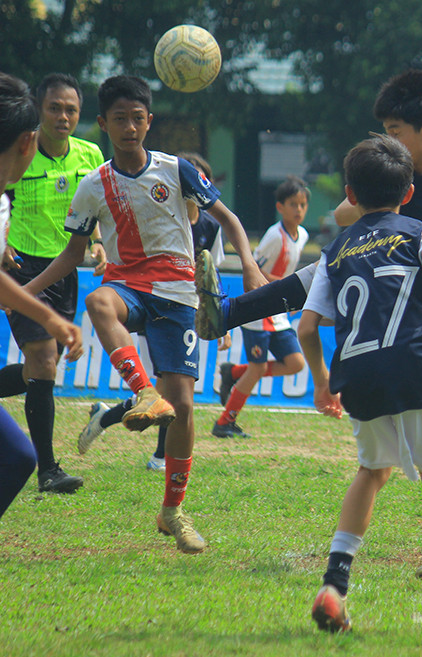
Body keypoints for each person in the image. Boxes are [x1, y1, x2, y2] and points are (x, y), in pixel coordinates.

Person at [193, 69, 422, 574]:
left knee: (334, 266)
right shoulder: (401, 180)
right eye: (384, 131)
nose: (389, 139)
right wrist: (374, 185)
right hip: (421, 302)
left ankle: (229, 312)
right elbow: (346, 213)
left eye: (396, 132)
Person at [24, 75, 267, 553]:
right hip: (128, 287)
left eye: (138, 119)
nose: (130, 127)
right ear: (103, 125)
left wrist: (252, 267)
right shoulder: (94, 186)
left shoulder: (177, 170)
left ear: (149, 121)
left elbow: (230, 220)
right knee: (98, 301)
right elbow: (72, 255)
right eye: (120, 120)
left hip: (179, 298)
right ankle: (143, 392)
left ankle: (172, 511)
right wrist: (22, 292)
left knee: (185, 411)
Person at [303, 134, 422, 634]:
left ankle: (333, 586)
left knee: (371, 471)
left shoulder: (335, 248)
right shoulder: (421, 231)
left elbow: (307, 327)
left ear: (350, 193)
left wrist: (323, 385)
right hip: (413, 366)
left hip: (357, 373)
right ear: (409, 192)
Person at [77, 152, 231, 471]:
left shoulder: (210, 227)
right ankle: (161, 456)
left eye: (202, 181)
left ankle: (106, 416)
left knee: (170, 393)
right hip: (142, 299)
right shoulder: (154, 208)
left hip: (181, 305)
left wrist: (221, 323)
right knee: (162, 391)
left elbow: (210, 276)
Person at [0, 73, 104, 494]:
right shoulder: (18, 159)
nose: (63, 117)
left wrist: (100, 244)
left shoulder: (91, 154)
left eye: (72, 110)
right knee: (43, 362)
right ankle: (48, 470)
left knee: (38, 372)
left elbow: (96, 211)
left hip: (67, 269)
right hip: (22, 267)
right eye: (55, 108)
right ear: (36, 118)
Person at [212, 175, 308, 438]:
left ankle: (232, 372)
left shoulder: (303, 236)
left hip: (278, 312)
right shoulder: (274, 236)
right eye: (293, 204)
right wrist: (292, 288)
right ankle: (224, 422)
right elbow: (257, 270)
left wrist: (292, 293)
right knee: (257, 368)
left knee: (296, 363)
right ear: (280, 207)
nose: (298, 210)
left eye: (302, 205)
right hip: (261, 309)